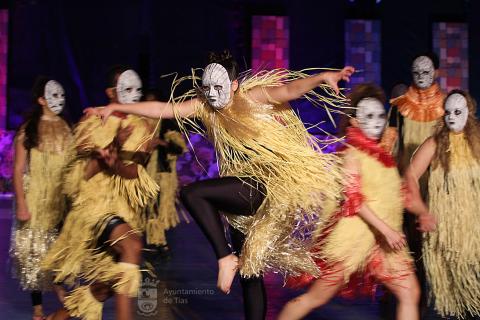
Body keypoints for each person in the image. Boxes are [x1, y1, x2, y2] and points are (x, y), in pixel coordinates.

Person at [88, 51, 353, 320]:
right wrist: (118, 108)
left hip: (266, 185)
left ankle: (224, 258)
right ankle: (232, 264)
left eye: (219, 87)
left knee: (194, 194)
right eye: (207, 88)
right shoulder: (205, 106)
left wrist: (322, 77)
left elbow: (290, 89)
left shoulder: (252, 97)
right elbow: (164, 109)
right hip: (241, 190)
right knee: (250, 274)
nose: (212, 94)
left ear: (234, 85)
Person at [279, 84, 428, 320]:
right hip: (354, 239)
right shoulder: (351, 154)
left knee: (410, 292)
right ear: (354, 122)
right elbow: (354, 201)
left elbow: (397, 195)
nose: (377, 121)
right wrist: (387, 231)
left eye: (380, 115)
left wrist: (423, 212)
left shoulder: (384, 155)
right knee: (315, 298)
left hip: (383, 243)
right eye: (368, 116)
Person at [42, 67, 158, 320]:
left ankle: (56, 318)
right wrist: (108, 150)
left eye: (137, 88)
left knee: (104, 288)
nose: (134, 94)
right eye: (126, 88)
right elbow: (80, 176)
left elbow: (132, 173)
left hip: (124, 212)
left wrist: (115, 156)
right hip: (94, 208)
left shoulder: (146, 128)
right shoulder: (91, 121)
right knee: (132, 247)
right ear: (110, 91)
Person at [405, 89, 480, 319]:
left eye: (457, 112)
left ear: (470, 112)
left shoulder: (478, 143)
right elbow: (409, 177)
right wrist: (422, 211)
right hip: (443, 233)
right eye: (447, 112)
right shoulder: (434, 144)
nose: (451, 117)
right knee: (444, 304)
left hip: (475, 234)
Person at [10, 77, 72, 320]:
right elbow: (17, 170)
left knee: (57, 246)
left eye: (61, 95)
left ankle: (58, 286)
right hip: (35, 197)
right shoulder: (29, 129)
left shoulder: (66, 127)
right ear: (41, 99)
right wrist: (22, 204)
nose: (59, 100)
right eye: (53, 95)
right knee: (34, 251)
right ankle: (37, 307)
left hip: (59, 198)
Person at [142, 89, 187, 260]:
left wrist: (160, 142)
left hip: (163, 174)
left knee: (158, 209)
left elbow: (180, 148)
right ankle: (157, 243)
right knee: (150, 208)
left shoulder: (167, 124)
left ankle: (159, 243)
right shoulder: (141, 124)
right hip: (145, 174)